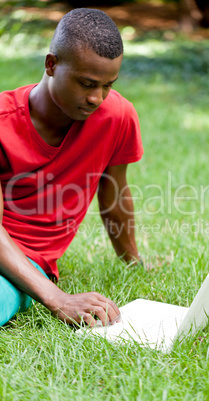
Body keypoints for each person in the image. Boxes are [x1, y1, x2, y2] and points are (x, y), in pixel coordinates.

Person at [0, 8, 143, 327]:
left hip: (26, 265)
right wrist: (58, 298)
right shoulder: (2, 123)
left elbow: (114, 193)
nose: (97, 98)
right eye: (87, 83)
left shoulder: (117, 117)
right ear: (51, 64)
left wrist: (134, 263)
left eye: (107, 85)